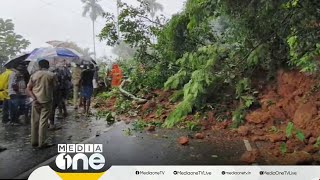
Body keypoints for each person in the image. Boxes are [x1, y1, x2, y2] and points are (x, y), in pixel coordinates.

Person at [27, 59, 56, 148]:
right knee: (43, 121)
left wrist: (34, 98)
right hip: (46, 100)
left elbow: (28, 89)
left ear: (39, 66)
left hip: (35, 101)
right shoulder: (52, 75)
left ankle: (34, 141)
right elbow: (55, 86)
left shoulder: (33, 75)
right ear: (48, 66)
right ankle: (42, 142)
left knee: (35, 121)